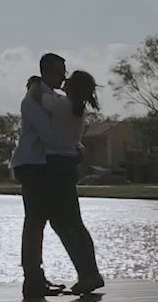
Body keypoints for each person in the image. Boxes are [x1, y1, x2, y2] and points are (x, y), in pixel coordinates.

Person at [9, 54, 103, 298]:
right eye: (60, 71)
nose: (64, 75)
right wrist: (74, 149)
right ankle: (37, 280)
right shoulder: (35, 100)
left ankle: (45, 280)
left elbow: (57, 132)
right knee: (41, 223)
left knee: (54, 222)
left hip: (49, 167)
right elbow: (50, 135)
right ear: (46, 72)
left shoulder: (52, 99)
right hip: (34, 166)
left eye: (66, 71)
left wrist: (72, 148)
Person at [44, 70, 104, 295]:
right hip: (68, 167)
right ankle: (90, 272)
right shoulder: (76, 108)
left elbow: (41, 98)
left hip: (57, 167)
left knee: (61, 224)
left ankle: (87, 274)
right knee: (75, 224)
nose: (64, 81)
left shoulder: (62, 106)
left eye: (68, 80)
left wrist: (35, 84)